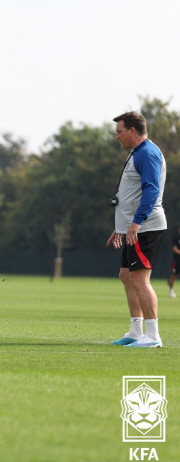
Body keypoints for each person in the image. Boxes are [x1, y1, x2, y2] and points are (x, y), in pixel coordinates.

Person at [106, 111, 166, 348]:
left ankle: (152, 337)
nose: (117, 137)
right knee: (126, 276)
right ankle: (135, 331)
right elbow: (130, 194)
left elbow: (151, 190)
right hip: (132, 227)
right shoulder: (138, 153)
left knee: (140, 280)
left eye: (119, 132)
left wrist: (136, 222)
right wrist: (120, 227)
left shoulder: (148, 153)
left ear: (132, 130)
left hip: (145, 227)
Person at [168, 226, 180, 298]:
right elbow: (174, 249)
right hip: (177, 261)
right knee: (174, 276)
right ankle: (171, 291)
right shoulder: (176, 239)